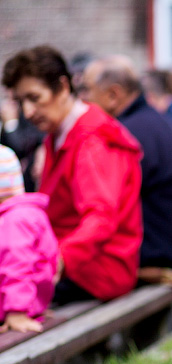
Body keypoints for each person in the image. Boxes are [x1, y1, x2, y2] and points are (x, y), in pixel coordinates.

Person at [2, 45, 143, 304]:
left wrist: (55, 262)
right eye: (20, 102)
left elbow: (100, 218)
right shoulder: (62, 132)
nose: (28, 112)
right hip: (75, 266)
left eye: (34, 98)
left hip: (95, 273)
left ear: (63, 86)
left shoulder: (91, 140)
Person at [80, 56, 172, 273]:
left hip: (157, 255)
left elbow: (104, 205)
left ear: (113, 94)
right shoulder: (151, 120)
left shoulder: (125, 134)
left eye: (86, 89)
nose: (82, 99)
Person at [0, 145, 58, 333]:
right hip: (30, 302)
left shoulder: (15, 220)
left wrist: (17, 311)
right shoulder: (29, 214)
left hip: (14, 308)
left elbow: (18, 265)